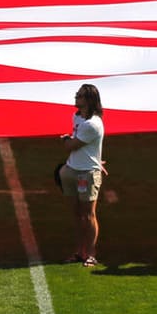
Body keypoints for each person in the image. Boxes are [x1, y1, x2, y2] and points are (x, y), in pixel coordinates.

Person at [60, 83, 105, 265]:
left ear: (87, 100)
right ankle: (80, 251)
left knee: (88, 215)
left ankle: (91, 253)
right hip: (72, 171)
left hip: (86, 174)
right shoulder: (77, 117)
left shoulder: (92, 125)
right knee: (77, 213)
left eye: (79, 95)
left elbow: (71, 145)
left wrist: (64, 139)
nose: (75, 98)